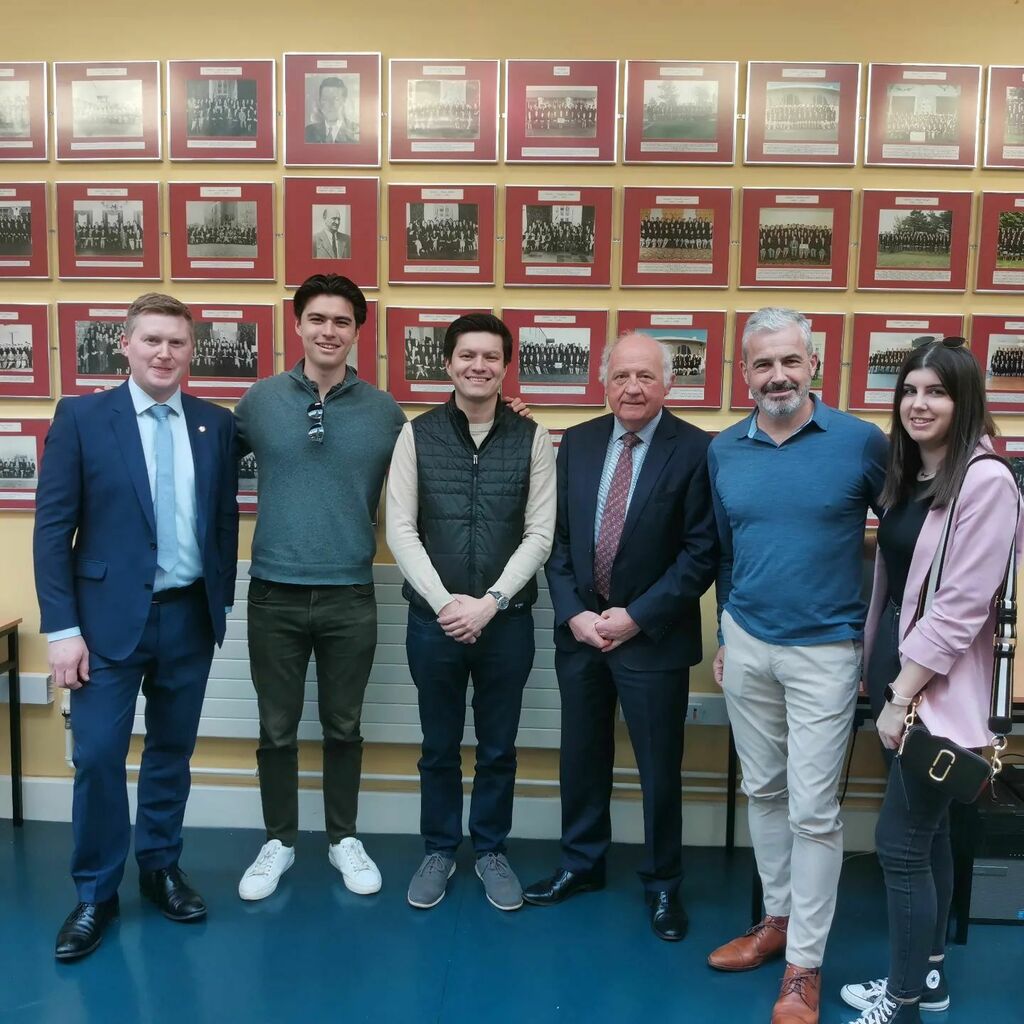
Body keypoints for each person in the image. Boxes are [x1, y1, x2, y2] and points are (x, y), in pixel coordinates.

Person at [33, 292, 240, 961]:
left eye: (177, 342)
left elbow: (223, 520)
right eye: (152, 340)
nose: (164, 353)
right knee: (97, 757)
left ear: (191, 350)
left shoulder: (214, 423)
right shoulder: (83, 418)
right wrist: (61, 629)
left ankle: (160, 868)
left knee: (171, 754)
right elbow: (51, 533)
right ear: (124, 344)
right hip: (102, 627)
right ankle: (96, 893)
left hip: (188, 618)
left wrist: (219, 601)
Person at [707, 307, 888, 1024]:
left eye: (790, 361)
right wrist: (725, 631)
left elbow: (904, 541)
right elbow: (727, 551)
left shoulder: (860, 443)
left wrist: (883, 644)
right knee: (764, 790)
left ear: (814, 364)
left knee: (814, 811)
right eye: (763, 363)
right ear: (744, 373)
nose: (777, 375)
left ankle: (803, 965)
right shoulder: (725, 450)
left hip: (826, 651)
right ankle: (776, 921)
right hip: (748, 642)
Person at [839, 339, 1022, 1024]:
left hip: (932, 691)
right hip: (900, 676)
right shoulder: (915, 474)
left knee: (901, 844)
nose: (919, 404)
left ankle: (903, 1002)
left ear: (964, 399)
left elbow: (959, 609)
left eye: (936, 392)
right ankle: (930, 977)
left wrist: (900, 697)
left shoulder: (986, 482)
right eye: (910, 390)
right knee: (931, 834)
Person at [523, 332, 718, 942]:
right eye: (621, 376)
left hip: (653, 637)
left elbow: (700, 553)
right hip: (582, 634)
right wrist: (575, 614)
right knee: (581, 756)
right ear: (603, 383)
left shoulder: (697, 450)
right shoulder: (578, 443)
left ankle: (662, 883)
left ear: (669, 384)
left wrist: (635, 616)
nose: (632, 388)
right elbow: (555, 540)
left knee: (659, 768)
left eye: (646, 376)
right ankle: (581, 863)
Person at [233, 274, 406, 902]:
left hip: (349, 594)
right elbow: (199, 461)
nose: (328, 331)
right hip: (272, 593)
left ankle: (342, 839)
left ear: (357, 331)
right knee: (276, 729)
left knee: (344, 726)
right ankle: (278, 841)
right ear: (298, 324)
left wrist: (509, 411)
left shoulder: (385, 412)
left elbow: (432, 464)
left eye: (341, 321)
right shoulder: (259, 401)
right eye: (317, 319)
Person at [386, 313, 556, 912]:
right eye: (466, 355)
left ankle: (490, 850)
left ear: (505, 366)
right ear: (448, 363)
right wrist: (445, 604)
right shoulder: (417, 434)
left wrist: (490, 604)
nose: (478, 366)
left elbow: (540, 533)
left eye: (490, 356)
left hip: (506, 623)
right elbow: (400, 528)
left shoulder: (533, 438)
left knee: (498, 748)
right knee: (437, 746)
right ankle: (439, 849)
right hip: (433, 623)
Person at [304, 76, 357, 143]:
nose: (330, 104)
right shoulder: (308, 132)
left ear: (344, 101)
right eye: (325, 99)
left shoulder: (356, 131)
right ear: (320, 101)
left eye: (336, 99)